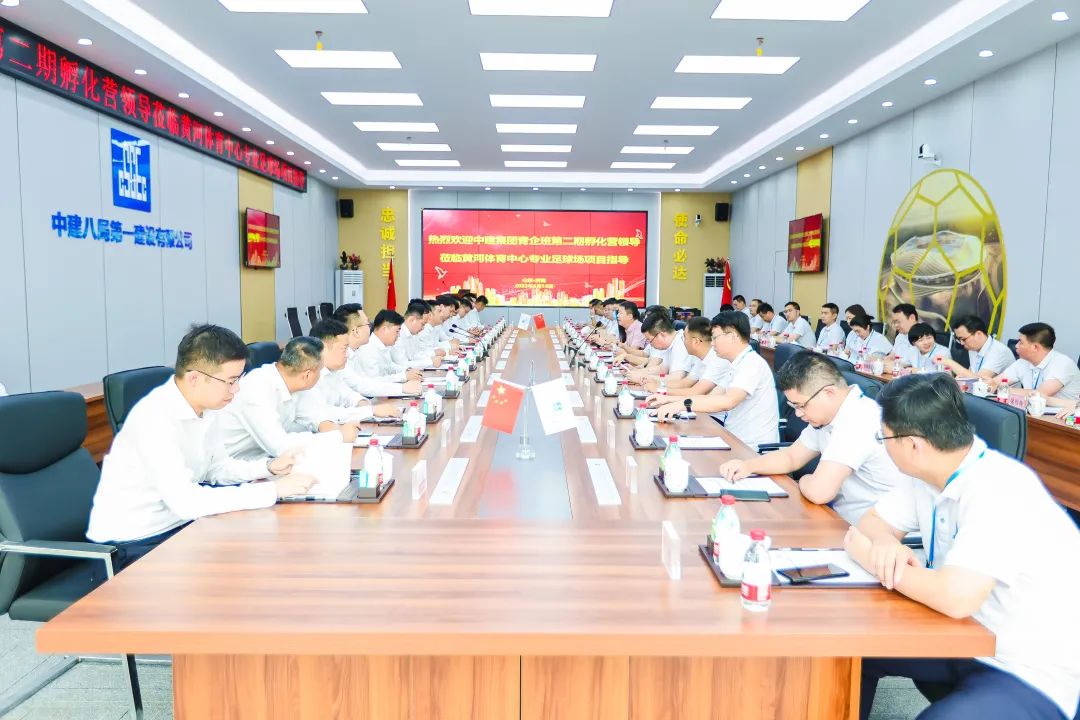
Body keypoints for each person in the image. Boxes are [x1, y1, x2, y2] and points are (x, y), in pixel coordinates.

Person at [844, 374, 1080, 720]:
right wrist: (884, 543)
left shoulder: (1001, 488)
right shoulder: (929, 474)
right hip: (963, 636)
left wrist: (869, 556)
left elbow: (955, 597)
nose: (883, 445)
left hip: (1027, 666)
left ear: (913, 445)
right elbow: (870, 524)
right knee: (844, 647)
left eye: (884, 437)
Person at [85, 325, 315, 576]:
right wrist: (273, 490)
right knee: (247, 568)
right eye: (230, 381)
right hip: (136, 544)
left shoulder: (206, 408)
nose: (236, 389)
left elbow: (217, 468)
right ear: (194, 378)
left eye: (238, 380)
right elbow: (187, 502)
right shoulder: (154, 419)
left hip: (181, 525)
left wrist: (268, 468)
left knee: (269, 549)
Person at [718, 353, 906, 524]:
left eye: (801, 405)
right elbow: (791, 457)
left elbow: (819, 492)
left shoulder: (858, 419)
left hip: (872, 533)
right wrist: (749, 466)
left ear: (829, 393)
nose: (798, 414)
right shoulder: (829, 415)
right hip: (840, 518)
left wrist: (804, 479)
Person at [218, 336, 361, 460]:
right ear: (307, 375)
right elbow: (280, 446)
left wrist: (336, 430)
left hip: (264, 460)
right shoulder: (257, 387)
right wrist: (338, 437)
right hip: (231, 468)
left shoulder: (295, 383)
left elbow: (316, 416)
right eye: (320, 370)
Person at [654, 311, 779, 447]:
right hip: (733, 438)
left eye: (715, 338)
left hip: (752, 448)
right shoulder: (736, 363)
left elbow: (727, 401)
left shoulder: (751, 363)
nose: (712, 343)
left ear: (732, 336)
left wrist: (680, 405)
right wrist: (670, 400)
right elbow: (712, 397)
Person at [299, 319, 400, 425]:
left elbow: (348, 395)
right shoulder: (309, 376)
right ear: (323, 349)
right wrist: (370, 411)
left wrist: (363, 404)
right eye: (344, 349)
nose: (347, 354)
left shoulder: (334, 371)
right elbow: (325, 413)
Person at [334, 304, 423, 397]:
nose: (370, 328)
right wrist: (403, 387)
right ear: (356, 331)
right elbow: (362, 386)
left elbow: (368, 381)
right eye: (368, 324)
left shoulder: (353, 352)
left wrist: (405, 378)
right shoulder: (345, 356)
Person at [991, 322, 1080, 406]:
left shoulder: (1062, 364)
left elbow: (1038, 396)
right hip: (1033, 413)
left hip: (1063, 415)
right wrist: (992, 384)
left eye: (1021, 342)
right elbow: (994, 383)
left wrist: (1003, 389)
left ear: (1035, 347)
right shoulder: (1022, 362)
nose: (1016, 346)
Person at [642, 316, 732, 397]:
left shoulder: (719, 360)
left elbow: (694, 392)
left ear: (696, 341)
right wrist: (657, 384)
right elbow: (685, 383)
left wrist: (660, 390)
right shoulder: (699, 358)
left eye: (684, 337)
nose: (682, 341)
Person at [355, 310, 424, 385]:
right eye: (397, 331)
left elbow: (390, 367)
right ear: (384, 329)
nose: (399, 335)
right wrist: (404, 376)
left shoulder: (382, 345)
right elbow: (374, 381)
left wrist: (407, 370)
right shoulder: (368, 349)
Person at [942, 315, 1014, 378]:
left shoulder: (999, 352)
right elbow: (971, 373)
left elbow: (979, 380)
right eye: (959, 340)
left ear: (978, 334)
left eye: (963, 339)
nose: (962, 343)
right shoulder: (973, 348)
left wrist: (949, 362)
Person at [392, 300, 442, 370]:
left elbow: (415, 355)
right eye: (423, 324)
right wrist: (430, 362)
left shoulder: (414, 334)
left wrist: (432, 358)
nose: (423, 328)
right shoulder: (397, 334)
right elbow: (402, 364)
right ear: (412, 320)